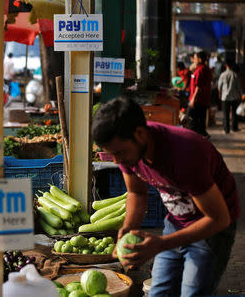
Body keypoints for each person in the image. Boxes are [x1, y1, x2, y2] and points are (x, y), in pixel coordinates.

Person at [92, 97, 239, 297]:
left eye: (119, 153)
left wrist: (161, 244)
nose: (117, 161)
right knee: (159, 292)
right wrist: (128, 229)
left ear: (140, 134)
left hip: (213, 228)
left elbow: (218, 219)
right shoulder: (127, 148)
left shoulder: (185, 153)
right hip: (176, 221)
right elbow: (136, 192)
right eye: (112, 154)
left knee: (192, 293)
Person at [187, 51, 212, 138]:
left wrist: (193, 99)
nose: (193, 60)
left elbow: (198, 87)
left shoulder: (201, 70)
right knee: (200, 121)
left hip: (198, 100)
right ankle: (202, 135)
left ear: (200, 59)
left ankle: (196, 138)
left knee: (193, 121)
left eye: (195, 58)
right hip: (203, 100)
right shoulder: (204, 69)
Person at [218, 59, 242, 134]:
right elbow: (239, 87)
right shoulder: (235, 75)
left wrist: (220, 95)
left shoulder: (222, 75)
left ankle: (226, 129)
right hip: (234, 97)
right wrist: (240, 96)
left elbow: (219, 87)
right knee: (234, 113)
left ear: (226, 65)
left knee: (226, 114)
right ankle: (234, 128)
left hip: (225, 97)